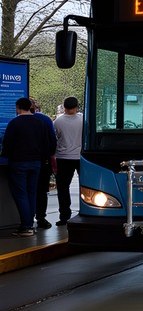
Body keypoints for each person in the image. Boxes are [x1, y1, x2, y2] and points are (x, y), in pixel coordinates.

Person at [2, 97, 56, 236]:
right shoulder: (40, 122)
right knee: (32, 193)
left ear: (18, 107)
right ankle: (30, 224)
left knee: (21, 194)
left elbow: (7, 144)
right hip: (36, 163)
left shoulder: (14, 123)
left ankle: (26, 227)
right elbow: (47, 144)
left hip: (19, 163)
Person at [53, 96, 83, 226]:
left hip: (63, 157)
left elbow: (55, 139)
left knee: (63, 188)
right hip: (81, 157)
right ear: (77, 106)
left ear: (64, 107)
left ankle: (64, 216)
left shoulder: (57, 121)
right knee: (86, 186)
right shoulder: (83, 119)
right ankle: (86, 211)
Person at [31, 98, 57, 229]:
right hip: (43, 161)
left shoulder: (15, 120)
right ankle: (41, 218)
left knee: (26, 190)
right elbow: (53, 140)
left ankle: (27, 219)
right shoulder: (45, 119)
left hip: (21, 161)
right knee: (42, 191)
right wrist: (50, 154)